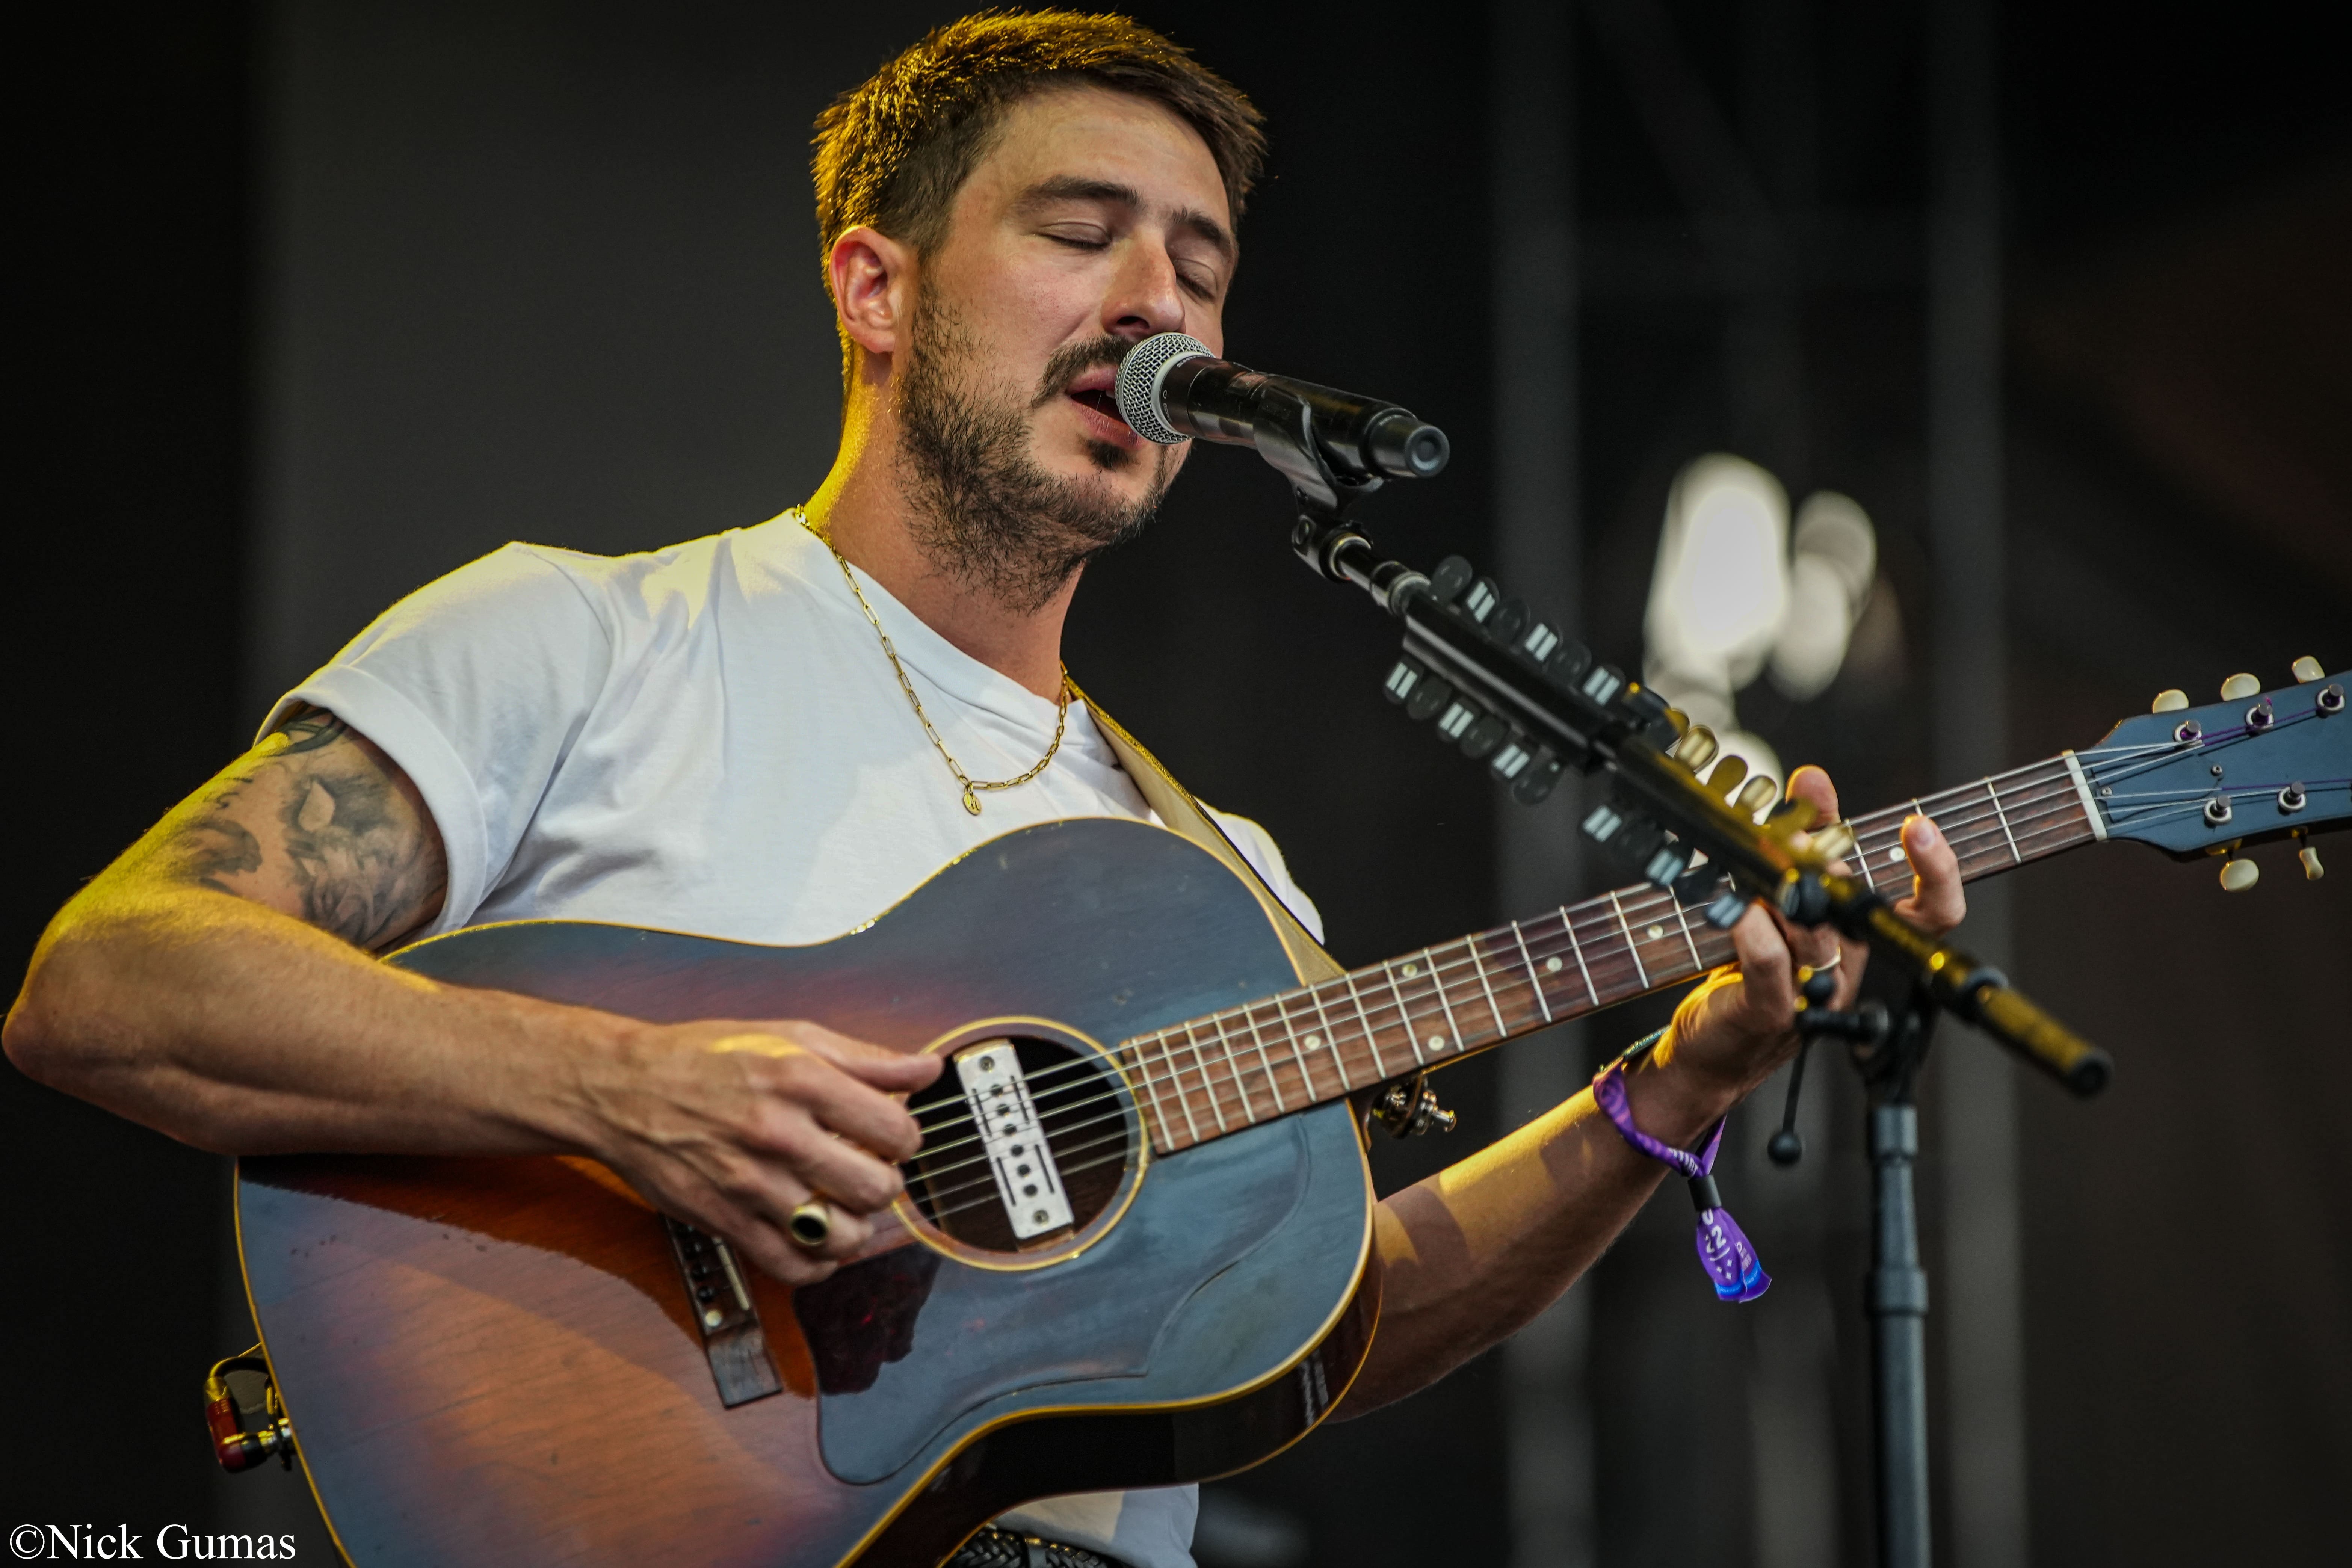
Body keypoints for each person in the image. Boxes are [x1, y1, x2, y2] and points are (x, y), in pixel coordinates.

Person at [3, 12, 1964, 1568]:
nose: (1159, 305)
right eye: (1078, 229)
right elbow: (109, 981)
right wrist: (626, 1093)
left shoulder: (1220, 881)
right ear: (876, 287)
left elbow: (1332, 1323)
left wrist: (1677, 1088)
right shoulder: (586, 644)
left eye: (1201, 261)